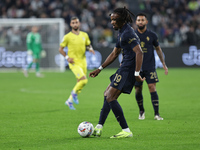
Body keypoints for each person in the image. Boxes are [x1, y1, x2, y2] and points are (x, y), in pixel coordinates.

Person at [89, 7, 145, 138]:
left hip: (128, 69)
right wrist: (100, 69)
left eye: (115, 20)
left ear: (121, 20)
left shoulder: (128, 33)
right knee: (107, 94)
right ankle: (99, 127)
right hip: (124, 67)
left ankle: (126, 130)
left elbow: (139, 52)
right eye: (111, 20)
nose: (112, 22)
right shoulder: (121, 31)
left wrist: (137, 73)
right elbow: (115, 53)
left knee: (111, 97)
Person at [134, 13, 168, 120]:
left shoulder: (152, 35)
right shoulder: (132, 35)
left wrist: (163, 63)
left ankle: (157, 114)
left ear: (146, 22)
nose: (140, 22)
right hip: (137, 68)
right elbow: (126, 50)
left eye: (142, 20)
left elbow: (158, 49)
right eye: (138, 20)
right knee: (138, 89)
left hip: (150, 66)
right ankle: (141, 111)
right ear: (136, 22)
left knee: (152, 87)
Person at [59, 17, 95, 110]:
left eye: (76, 22)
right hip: (74, 62)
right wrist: (67, 58)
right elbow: (60, 49)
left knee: (80, 82)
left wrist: (90, 48)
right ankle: (73, 94)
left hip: (83, 61)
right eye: (73, 23)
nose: (75, 24)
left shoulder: (84, 35)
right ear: (71, 25)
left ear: (79, 24)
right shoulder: (67, 37)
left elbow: (88, 44)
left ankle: (69, 101)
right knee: (84, 80)